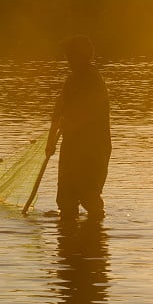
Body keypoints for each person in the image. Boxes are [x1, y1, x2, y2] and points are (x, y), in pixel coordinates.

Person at [46, 35, 111, 220]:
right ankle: (69, 239)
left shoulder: (92, 79)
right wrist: (50, 141)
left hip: (93, 149)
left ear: (82, 56)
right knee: (66, 199)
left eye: (71, 56)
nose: (68, 60)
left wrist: (71, 122)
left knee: (89, 196)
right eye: (68, 56)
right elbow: (59, 110)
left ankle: (94, 236)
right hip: (73, 147)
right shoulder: (72, 79)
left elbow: (89, 112)